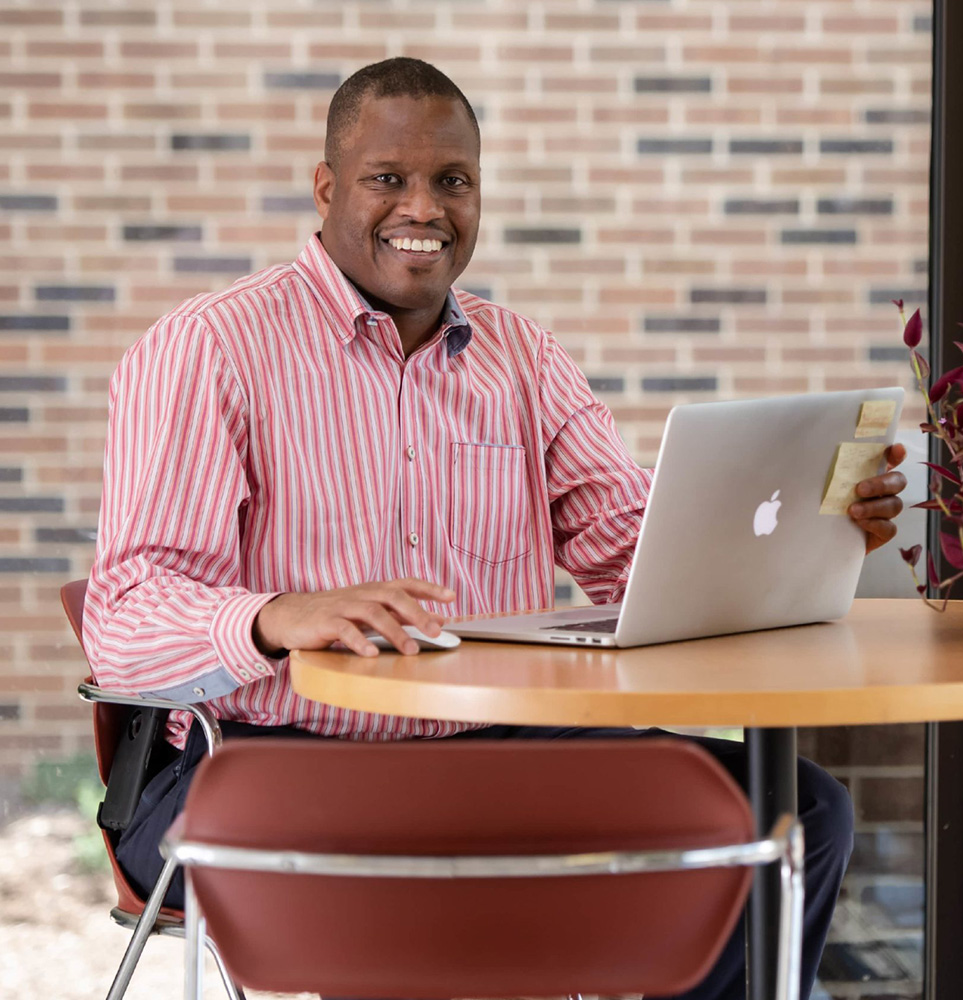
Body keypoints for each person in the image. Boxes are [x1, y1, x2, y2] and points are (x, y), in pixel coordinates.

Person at [83, 58, 906, 1000]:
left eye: (452, 181)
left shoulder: (523, 359)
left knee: (796, 810)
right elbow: (124, 617)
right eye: (388, 178)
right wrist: (277, 615)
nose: (423, 207)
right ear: (325, 189)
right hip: (259, 758)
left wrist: (806, 531)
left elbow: (635, 559)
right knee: (444, 886)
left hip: (492, 749)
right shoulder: (208, 350)